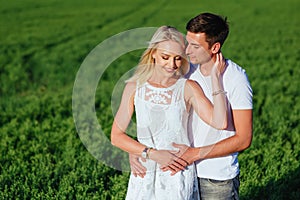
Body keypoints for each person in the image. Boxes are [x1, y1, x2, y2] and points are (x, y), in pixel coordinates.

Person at [130, 13, 253, 200]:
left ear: (215, 47)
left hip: (215, 177)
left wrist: (193, 154)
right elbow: (154, 109)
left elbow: (243, 139)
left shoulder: (236, 78)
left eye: (195, 46)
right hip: (179, 172)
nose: (187, 51)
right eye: (188, 43)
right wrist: (138, 150)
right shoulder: (183, 69)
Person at [110, 25, 228, 200]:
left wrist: (216, 80)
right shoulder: (134, 87)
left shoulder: (188, 88)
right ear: (153, 54)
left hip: (176, 172)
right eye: (165, 57)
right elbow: (116, 136)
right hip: (144, 172)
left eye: (178, 59)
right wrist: (149, 153)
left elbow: (220, 122)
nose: (172, 65)